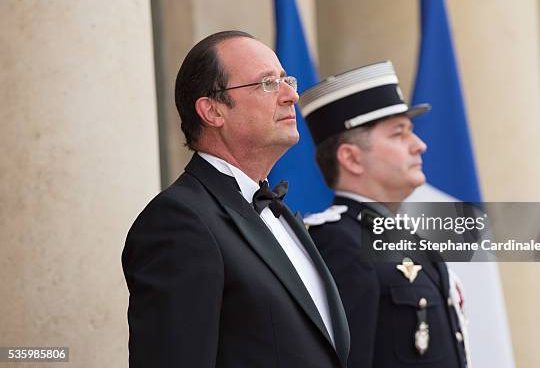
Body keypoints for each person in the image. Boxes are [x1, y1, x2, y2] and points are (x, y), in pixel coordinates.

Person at [121, 30, 349, 368]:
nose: (291, 96)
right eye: (267, 83)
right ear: (212, 111)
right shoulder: (179, 222)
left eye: (287, 80)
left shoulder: (278, 212)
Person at [300, 61, 469, 367]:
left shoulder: (406, 238)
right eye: (398, 134)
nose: (419, 145)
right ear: (351, 158)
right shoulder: (338, 242)